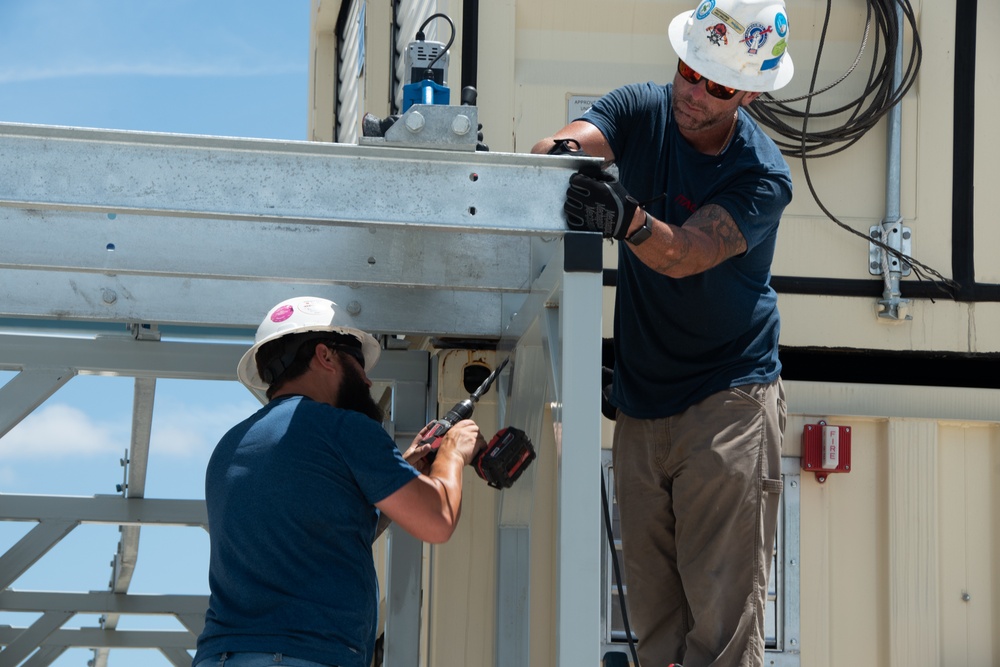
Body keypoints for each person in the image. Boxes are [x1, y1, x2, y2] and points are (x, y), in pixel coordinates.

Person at [531, 1, 794, 665]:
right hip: (644, 403)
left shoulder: (761, 175)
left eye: (720, 86)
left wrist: (627, 220)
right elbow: (552, 153)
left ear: (750, 95)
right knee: (655, 632)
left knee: (722, 633)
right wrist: (562, 157)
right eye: (689, 70)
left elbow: (687, 252)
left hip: (729, 398)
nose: (695, 92)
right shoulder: (640, 108)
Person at [192, 296, 487, 667]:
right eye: (358, 362)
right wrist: (454, 454)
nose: (367, 378)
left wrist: (404, 471)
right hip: (305, 656)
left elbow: (327, 533)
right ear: (325, 355)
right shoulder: (343, 428)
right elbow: (437, 519)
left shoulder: (230, 447)